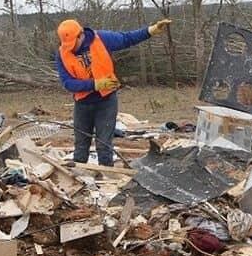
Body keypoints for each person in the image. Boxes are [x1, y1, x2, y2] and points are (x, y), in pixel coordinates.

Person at [56, 18, 171, 166]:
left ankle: (107, 178)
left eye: (73, 43)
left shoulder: (101, 39)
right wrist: (95, 84)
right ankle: (79, 177)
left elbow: (126, 39)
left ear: (80, 35)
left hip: (106, 101)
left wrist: (151, 30)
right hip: (82, 103)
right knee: (80, 146)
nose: (71, 48)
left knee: (104, 145)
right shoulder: (62, 53)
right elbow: (68, 83)